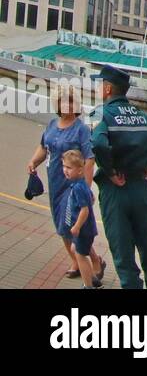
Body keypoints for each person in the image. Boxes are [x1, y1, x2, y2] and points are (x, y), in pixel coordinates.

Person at [90, 64, 147, 289]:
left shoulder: (102, 114)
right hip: (141, 189)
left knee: (125, 260)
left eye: (100, 83)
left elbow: (98, 143)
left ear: (108, 89)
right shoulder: (140, 115)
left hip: (116, 193)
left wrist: (109, 171)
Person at [26, 85, 99, 282]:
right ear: (56, 104)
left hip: (73, 186)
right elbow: (44, 147)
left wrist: (87, 187)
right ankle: (89, 260)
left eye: (69, 101)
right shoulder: (51, 125)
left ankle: (85, 262)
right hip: (55, 183)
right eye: (61, 101)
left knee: (70, 225)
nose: (65, 104)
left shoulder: (81, 129)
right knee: (62, 225)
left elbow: (90, 159)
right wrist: (33, 162)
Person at [58, 149, 105, 289]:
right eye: (64, 166)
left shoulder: (79, 187)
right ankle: (93, 280)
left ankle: (89, 285)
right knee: (74, 249)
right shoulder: (78, 184)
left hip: (84, 230)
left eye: (69, 168)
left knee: (80, 256)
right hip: (83, 229)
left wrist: (77, 226)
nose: (65, 170)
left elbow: (85, 210)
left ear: (79, 170)